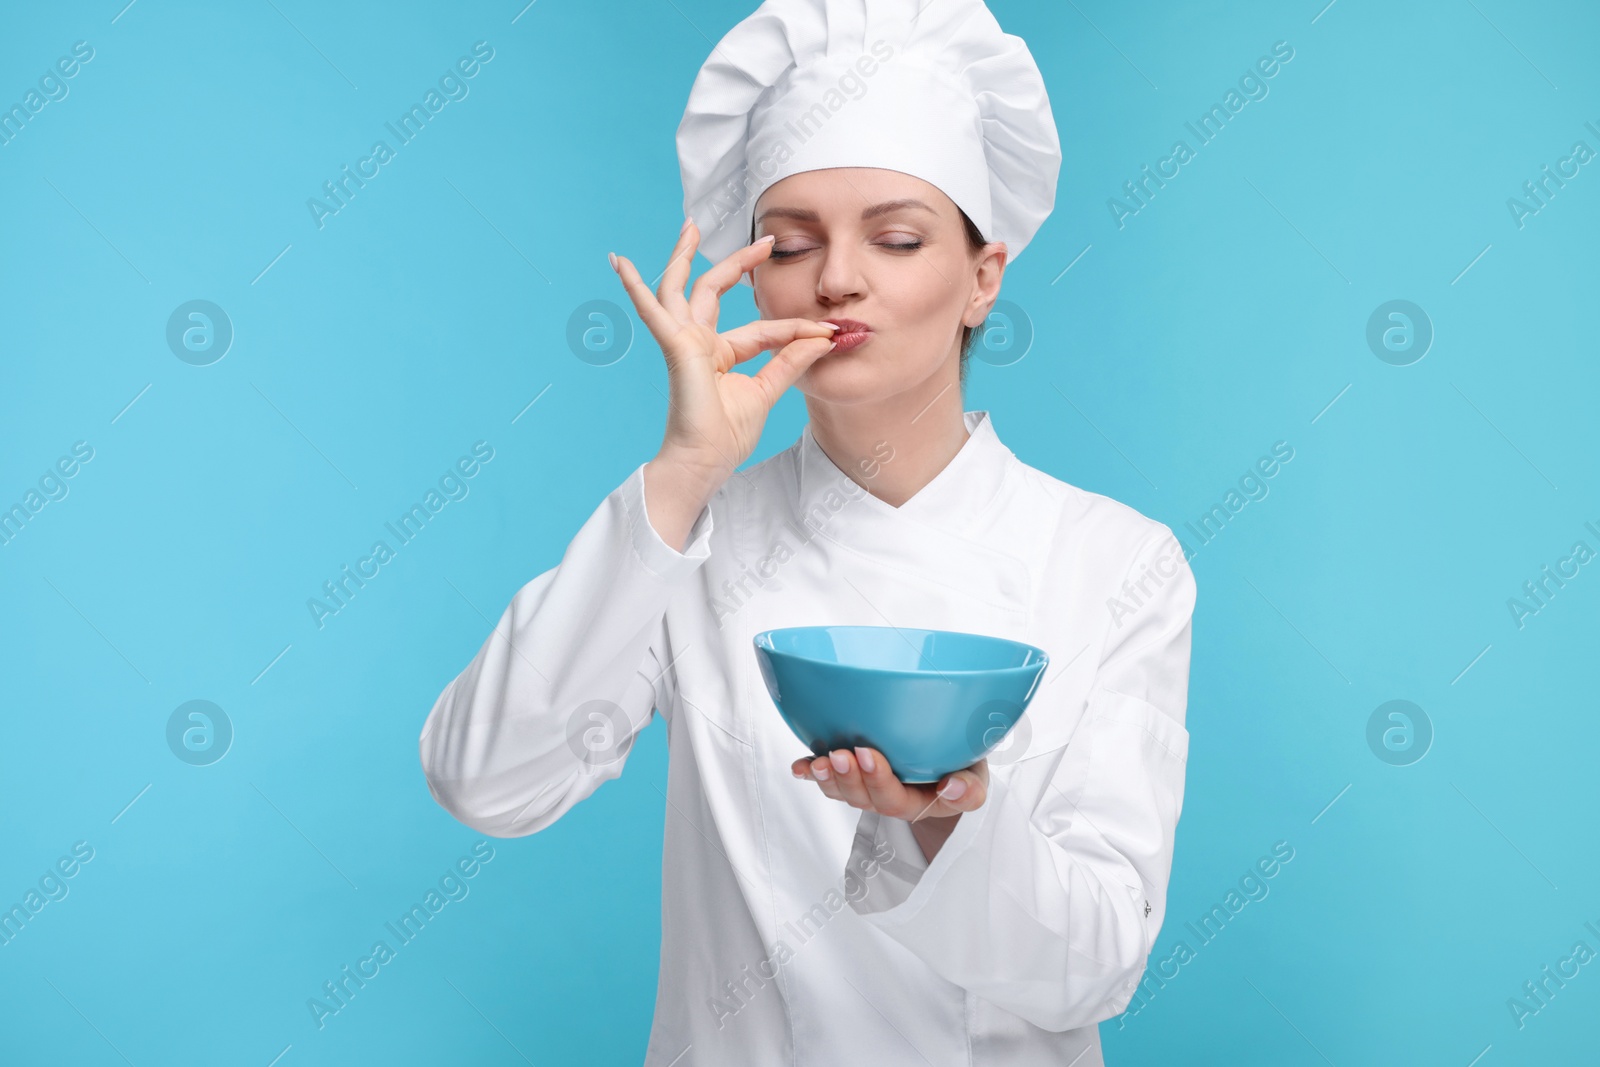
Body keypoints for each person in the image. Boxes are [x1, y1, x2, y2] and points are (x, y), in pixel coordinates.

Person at [418, 1, 1197, 1063]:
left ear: (982, 278)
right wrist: (685, 470)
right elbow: (486, 779)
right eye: (791, 242)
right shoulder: (693, 538)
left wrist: (938, 814)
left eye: (896, 237)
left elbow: (1097, 962)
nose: (836, 277)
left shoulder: (1113, 560)